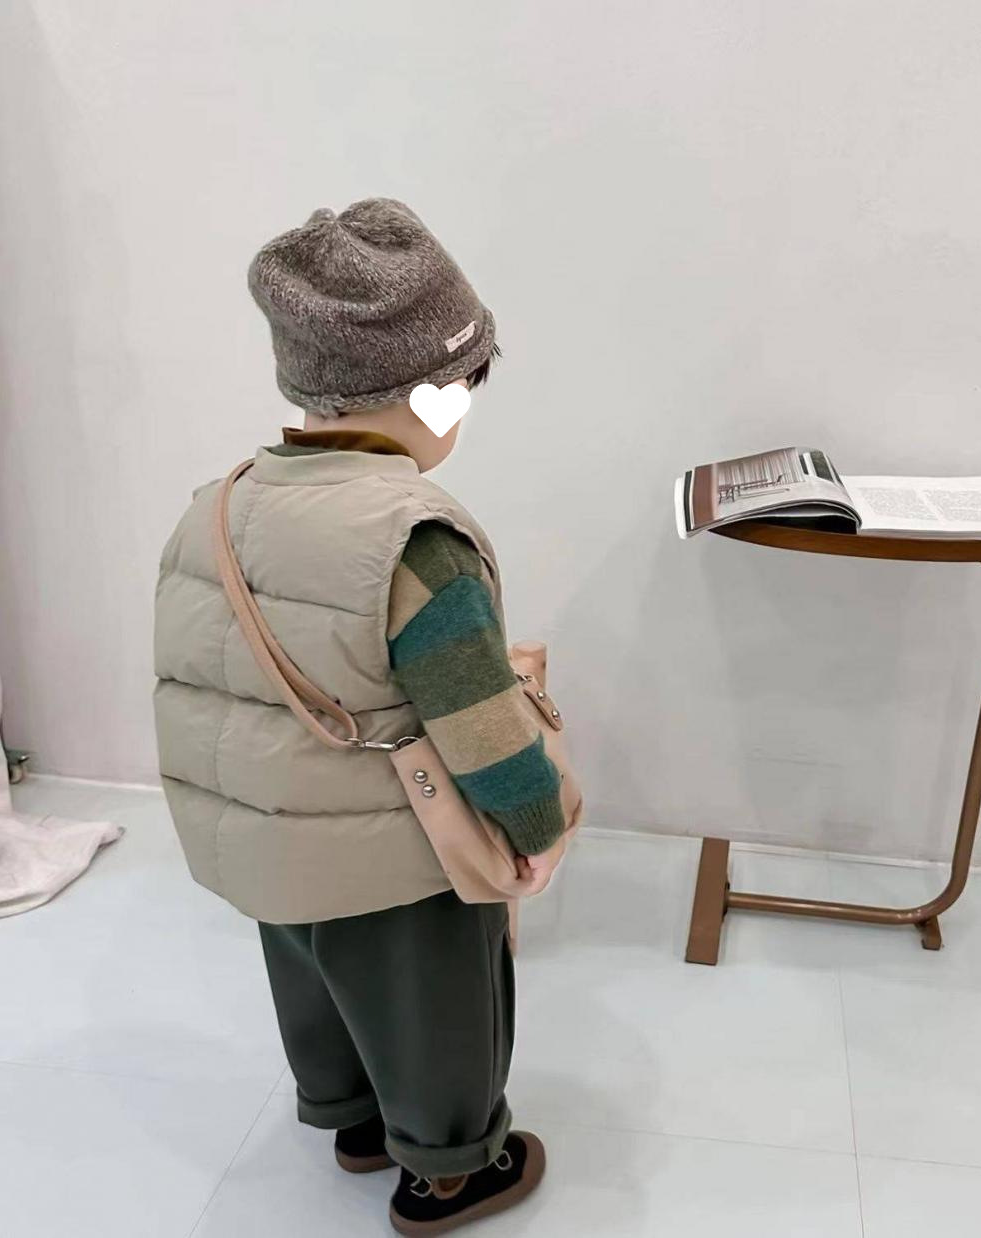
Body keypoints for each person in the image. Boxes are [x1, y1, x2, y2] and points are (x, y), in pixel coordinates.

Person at [152, 198, 568, 1234]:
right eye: (465, 388)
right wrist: (534, 821)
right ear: (426, 392)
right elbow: (479, 722)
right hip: (393, 853)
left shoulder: (217, 504)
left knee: (316, 978)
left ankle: (354, 1120)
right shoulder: (412, 537)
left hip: (271, 841)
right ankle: (449, 1169)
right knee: (436, 1006)